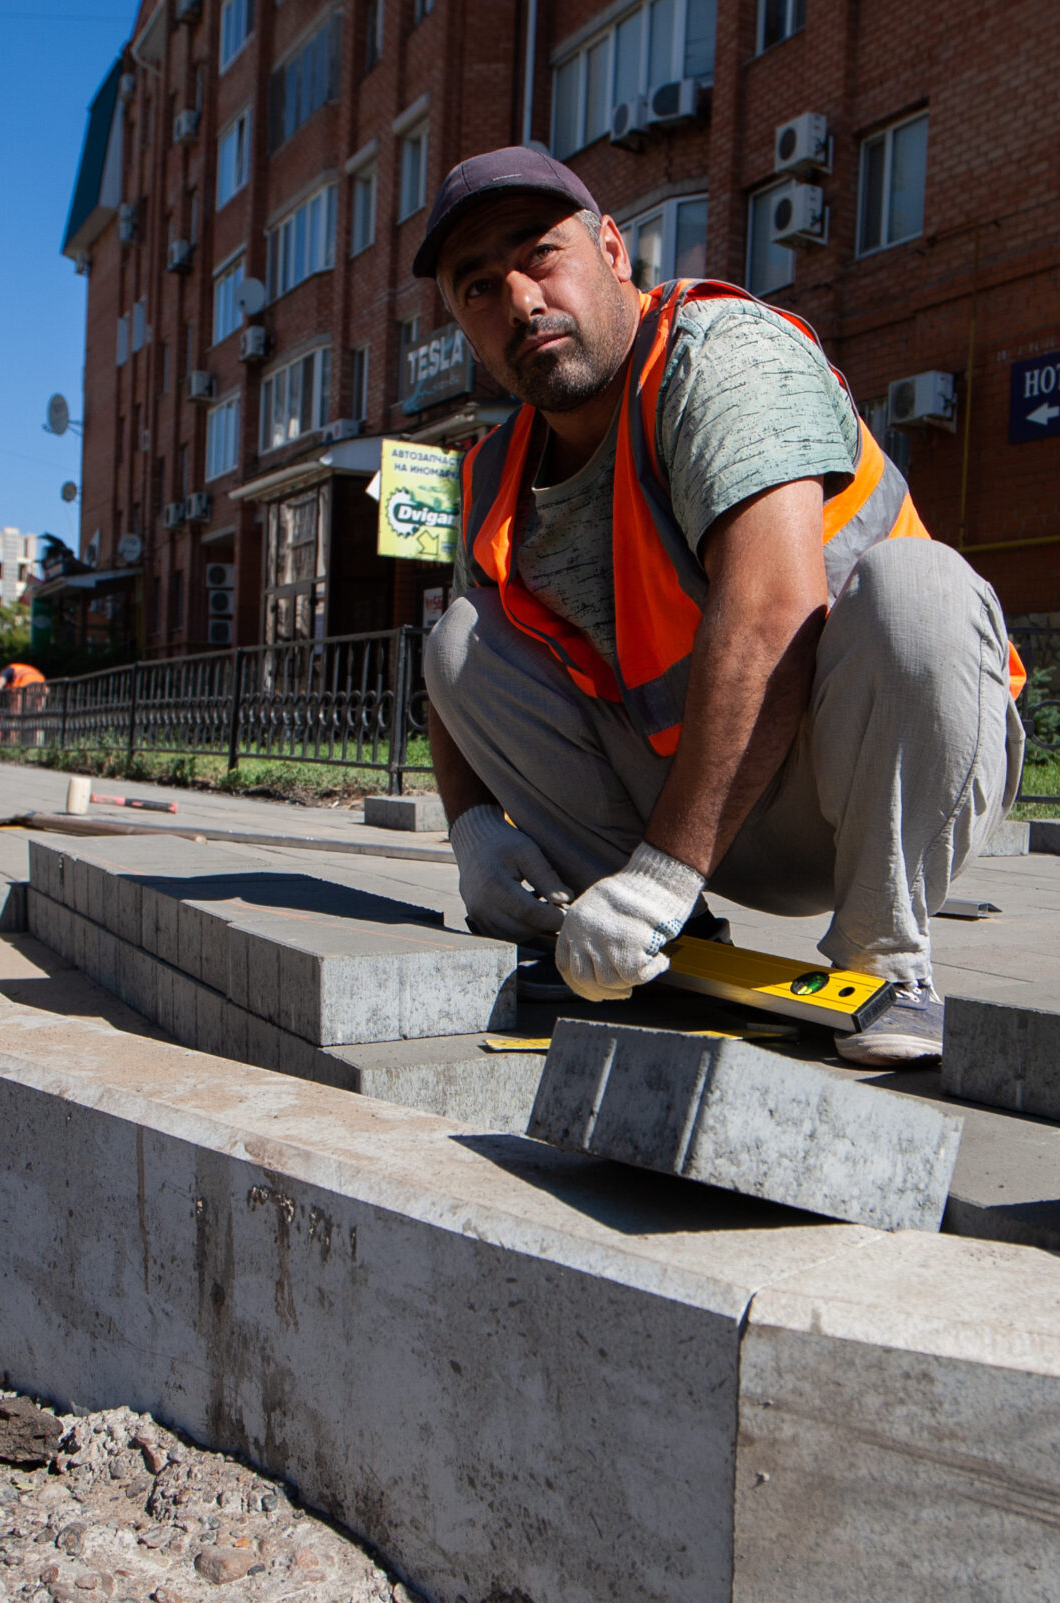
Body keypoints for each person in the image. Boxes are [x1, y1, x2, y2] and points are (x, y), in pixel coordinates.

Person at [414, 149, 1027, 1066]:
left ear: (614, 250)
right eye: (478, 288)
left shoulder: (722, 355)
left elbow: (776, 609)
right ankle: (673, 939)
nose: (521, 299)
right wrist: (471, 831)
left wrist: (659, 874)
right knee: (458, 641)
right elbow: (461, 685)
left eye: (540, 254)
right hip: (703, 804)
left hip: (864, 781)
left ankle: (886, 955)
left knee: (919, 589)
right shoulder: (497, 473)